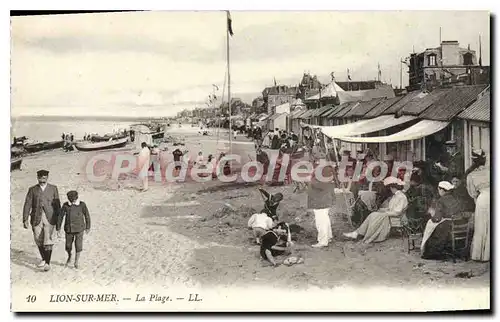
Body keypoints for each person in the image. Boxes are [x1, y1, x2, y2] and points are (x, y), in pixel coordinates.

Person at [343, 177, 408, 244]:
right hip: (389, 214)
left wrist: (385, 212)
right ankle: (358, 233)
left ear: (393, 187)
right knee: (373, 214)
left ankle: (361, 234)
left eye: (390, 187)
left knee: (374, 215)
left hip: (396, 217)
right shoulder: (395, 196)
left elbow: (397, 212)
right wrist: (383, 210)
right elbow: (391, 208)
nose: (390, 189)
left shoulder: (401, 197)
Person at [22, 170, 61, 272]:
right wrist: (25, 219)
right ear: (37, 178)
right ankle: (44, 258)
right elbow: (27, 204)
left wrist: (59, 220)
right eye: (40, 177)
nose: (42, 179)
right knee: (38, 239)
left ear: (47, 177)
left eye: (44, 177)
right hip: (36, 218)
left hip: (50, 218)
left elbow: (57, 204)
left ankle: (47, 263)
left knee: (48, 240)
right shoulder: (32, 189)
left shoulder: (53, 188)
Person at [420, 181, 463, 260]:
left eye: (439, 190)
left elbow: (437, 219)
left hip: (448, 226)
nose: (439, 192)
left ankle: (434, 253)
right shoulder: (455, 198)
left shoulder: (441, 200)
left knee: (432, 230)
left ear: (442, 190)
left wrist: (432, 214)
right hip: (458, 224)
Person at [56, 190, 91, 269]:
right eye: (71, 199)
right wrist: (58, 228)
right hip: (69, 229)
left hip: (79, 228)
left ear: (77, 198)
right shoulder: (65, 205)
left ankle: (76, 261)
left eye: (74, 199)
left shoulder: (82, 205)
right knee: (68, 246)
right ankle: (69, 255)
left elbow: (87, 216)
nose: (73, 201)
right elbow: (60, 217)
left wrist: (88, 226)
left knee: (78, 246)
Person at [467, 149, 490, 262]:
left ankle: (481, 254)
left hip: (482, 199)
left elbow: (472, 193)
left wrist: (477, 200)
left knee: (481, 225)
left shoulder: (471, 175)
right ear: (485, 160)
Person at [308, 165, 336, 248]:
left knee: (321, 222)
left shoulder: (319, 181)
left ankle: (323, 241)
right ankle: (328, 236)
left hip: (320, 203)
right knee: (325, 220)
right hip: (324, 202)